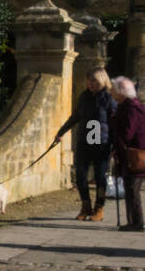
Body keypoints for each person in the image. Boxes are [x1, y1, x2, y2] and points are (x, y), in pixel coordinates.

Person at [53, 68, 116, 220]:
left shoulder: (108, 98)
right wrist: (61, 132)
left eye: (94, 80)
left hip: (102, 142)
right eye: (89, 80)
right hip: (85, 140)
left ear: (102, 80)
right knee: (81, 175)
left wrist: (115, 144)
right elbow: (75, 117)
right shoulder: (84, 97)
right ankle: (85, 206)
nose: (91, 83)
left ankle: (99, 208)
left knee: (100, 176)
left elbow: (115, 122)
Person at [109, 76, 145, 232]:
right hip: (131, 153)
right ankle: (133, 221)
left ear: (121, 92)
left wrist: (114, 122)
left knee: (132, 189)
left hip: (134, 154)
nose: (111, 93)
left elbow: (128, 132)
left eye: (113, 90)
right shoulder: (129, 106)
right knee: (130, 188)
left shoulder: (131, 108)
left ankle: (137, 222)